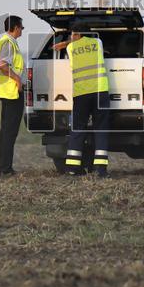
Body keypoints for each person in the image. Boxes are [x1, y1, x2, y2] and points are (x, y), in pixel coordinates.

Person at [52, 21, 110, 177]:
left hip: (81, 94)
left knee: (77, 129)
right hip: (100, 92)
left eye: (73, 34)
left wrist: (64, 43)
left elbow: (75, 44)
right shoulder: (98, 43)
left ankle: (72, 168)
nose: (72, 36)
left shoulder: (70, 48)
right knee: (101, 130)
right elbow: (86, 41)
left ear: (78, 35)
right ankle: (100, 169)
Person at [0, 15, 25, 175]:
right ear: (16, 27)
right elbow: (2, 65)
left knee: (7, 131)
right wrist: (18, 79)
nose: (23, 31)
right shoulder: (8, 42)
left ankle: (5, 167)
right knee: (9, 132)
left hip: (8, 91)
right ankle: (5, 169)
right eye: (22, 27)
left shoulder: (9, 42)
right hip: (11, 92)